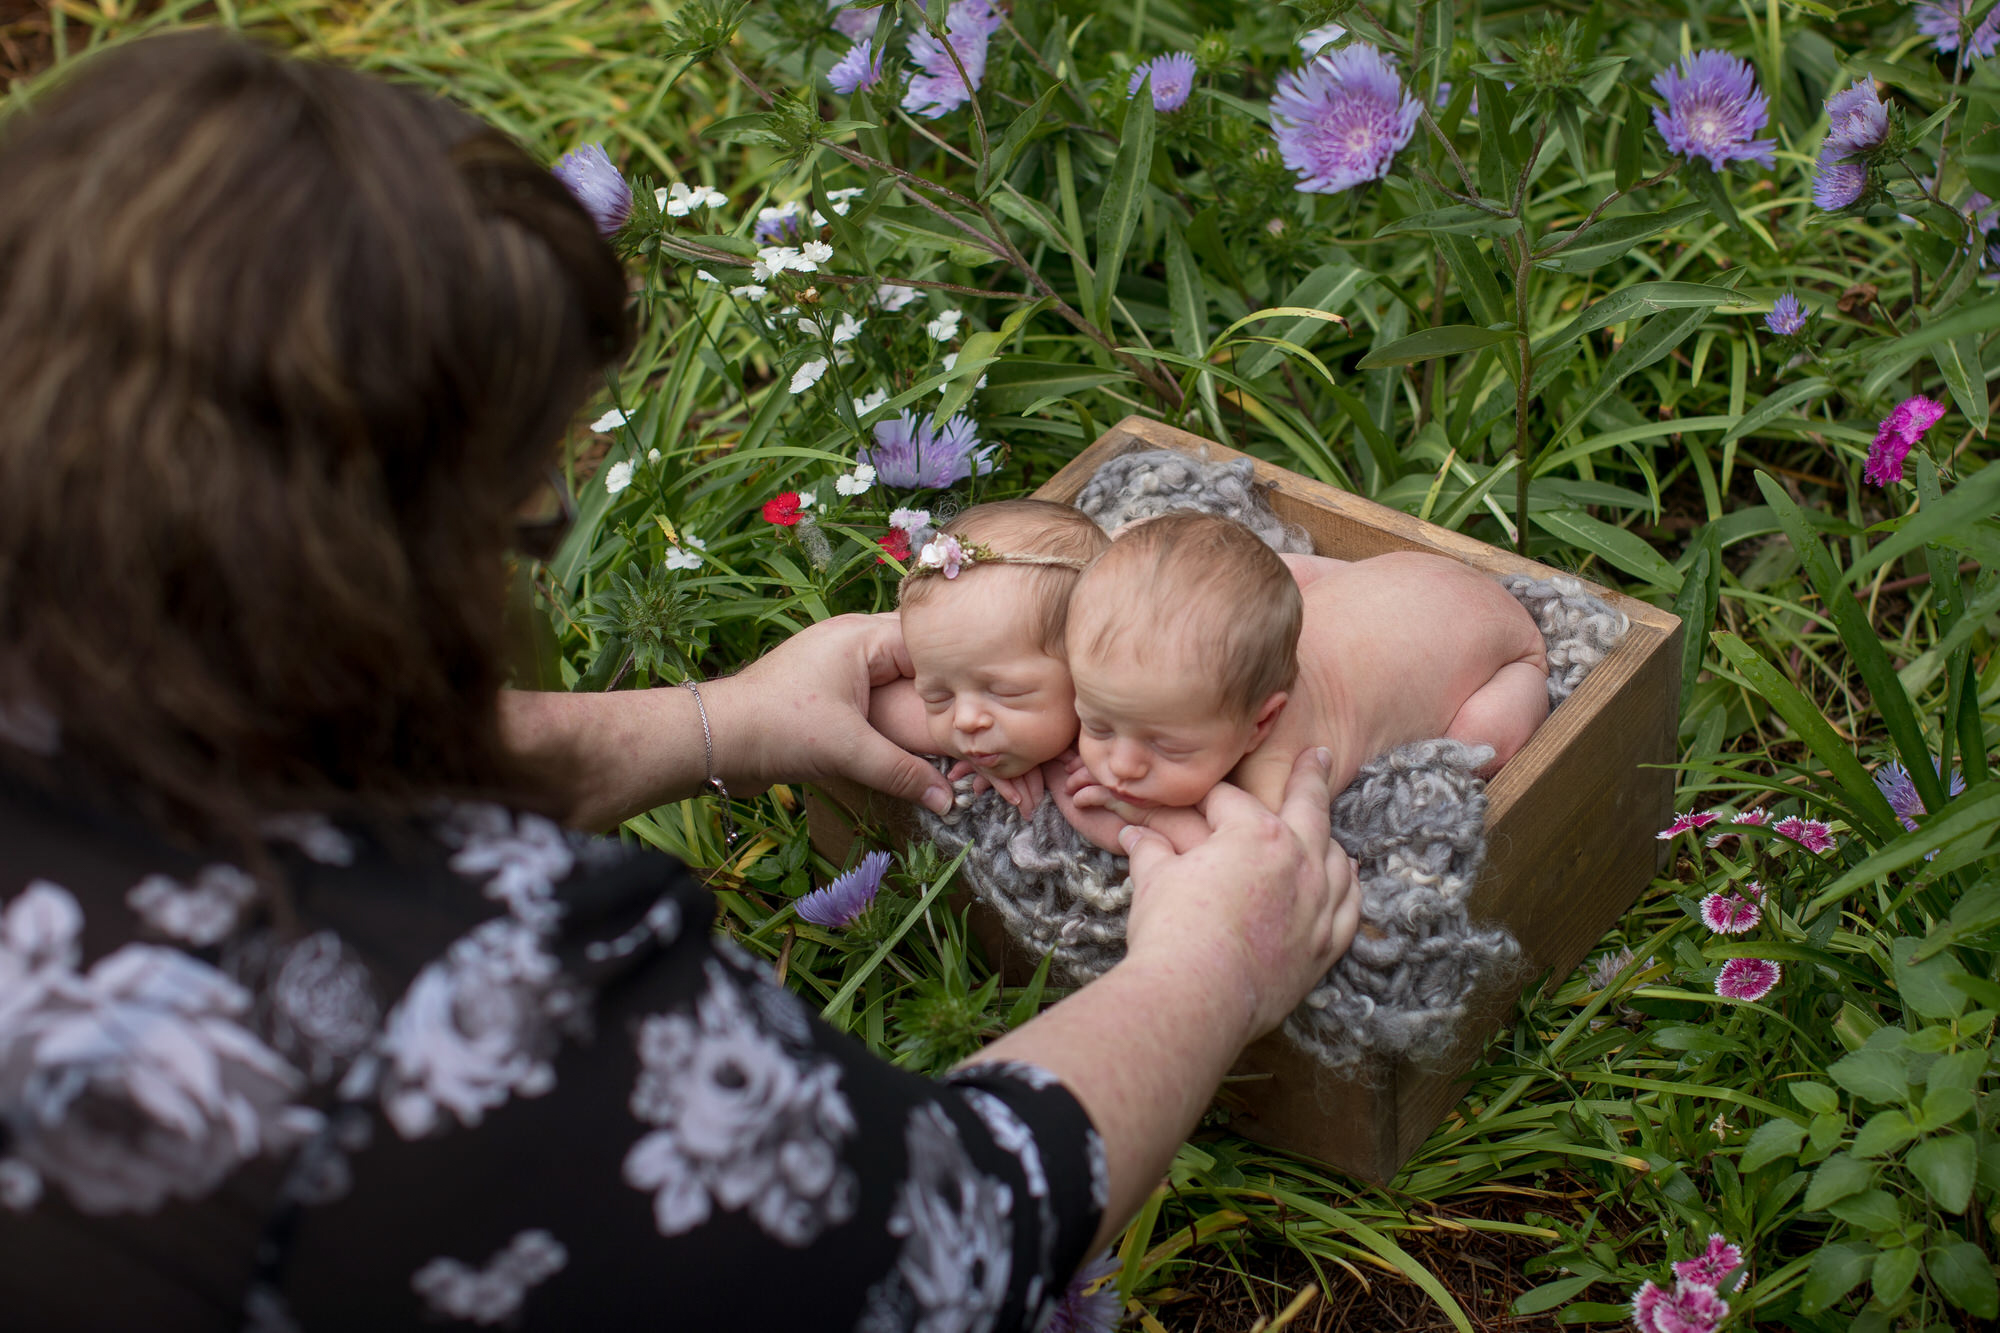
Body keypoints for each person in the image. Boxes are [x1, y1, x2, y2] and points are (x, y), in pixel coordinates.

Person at [0, 31, 1358, 1331]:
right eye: (522, 512)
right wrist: (1208, 966)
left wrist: (723, 719)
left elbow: (228, 745)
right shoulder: (455, 1010)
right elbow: (926, 1251)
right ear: (384, 558)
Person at [1054, 513, 1550, 853]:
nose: (1119, 766)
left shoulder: (1276, 766)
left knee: (1473, 745)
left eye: (1167, 747)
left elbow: (1253, 857)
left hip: (1505, 653)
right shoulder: (1188, 696)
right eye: (1096, 725)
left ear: (1261, 722)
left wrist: (1139, 816)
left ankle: (1519, 687)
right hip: (1403, 579)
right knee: (1275, 579)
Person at [868, 500, 1109, 815]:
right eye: (937, 696)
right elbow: (874, 701)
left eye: (1005, 692)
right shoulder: (972, 657)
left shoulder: (1148, 714)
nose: (965, 720)